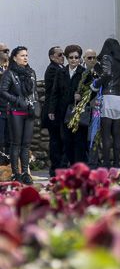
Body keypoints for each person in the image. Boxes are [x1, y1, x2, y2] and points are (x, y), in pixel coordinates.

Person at [0, 47, 38, 183]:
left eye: (27, 55)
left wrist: (35, 104)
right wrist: (17, 100)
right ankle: (16, 173)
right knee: (15, 144)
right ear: (15, 58)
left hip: (29, 112)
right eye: (22, 55)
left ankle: (25, 174)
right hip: (15, 111)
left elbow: (34, 92)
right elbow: (3, 91)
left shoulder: (31, 72)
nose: (25, 57)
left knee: (26, 145)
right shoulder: (9, 73)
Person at [90, 38, 120, 168]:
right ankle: (116, 163)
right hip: (118, 98)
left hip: (108, 97)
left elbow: (106, 75)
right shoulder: (118, 61)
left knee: (106, 134)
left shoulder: (106, 57)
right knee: (116, 133)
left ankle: (106, 164)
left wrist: (95, 84)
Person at [51, 45, 87, 165]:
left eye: (76, 57)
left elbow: (91, 92)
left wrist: (81, 97)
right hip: (63, 111)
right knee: (66, 140)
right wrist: (51, 110)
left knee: (79, 141)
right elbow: (55, 92)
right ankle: (72, 164)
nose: (74, 60)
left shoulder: (84, 73)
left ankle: (79, 167)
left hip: (78, 112)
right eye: (71, 57)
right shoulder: (61, 72)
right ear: (67, 58)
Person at [42, 45, 66, 173]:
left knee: (60, 139)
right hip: (53, 111)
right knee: (56, 139)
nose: (63, 57)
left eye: (63, 54)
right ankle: (55, 167)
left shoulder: (59, 68)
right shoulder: (53, 69)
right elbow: (55, 91)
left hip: (58, 110)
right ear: (52, 57)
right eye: (60, 55)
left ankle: (60, 166)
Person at [0, 43, 8, 165]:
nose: (7, 53)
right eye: (5, 51)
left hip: (10, 108)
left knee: (9, 137)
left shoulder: (10, 67)